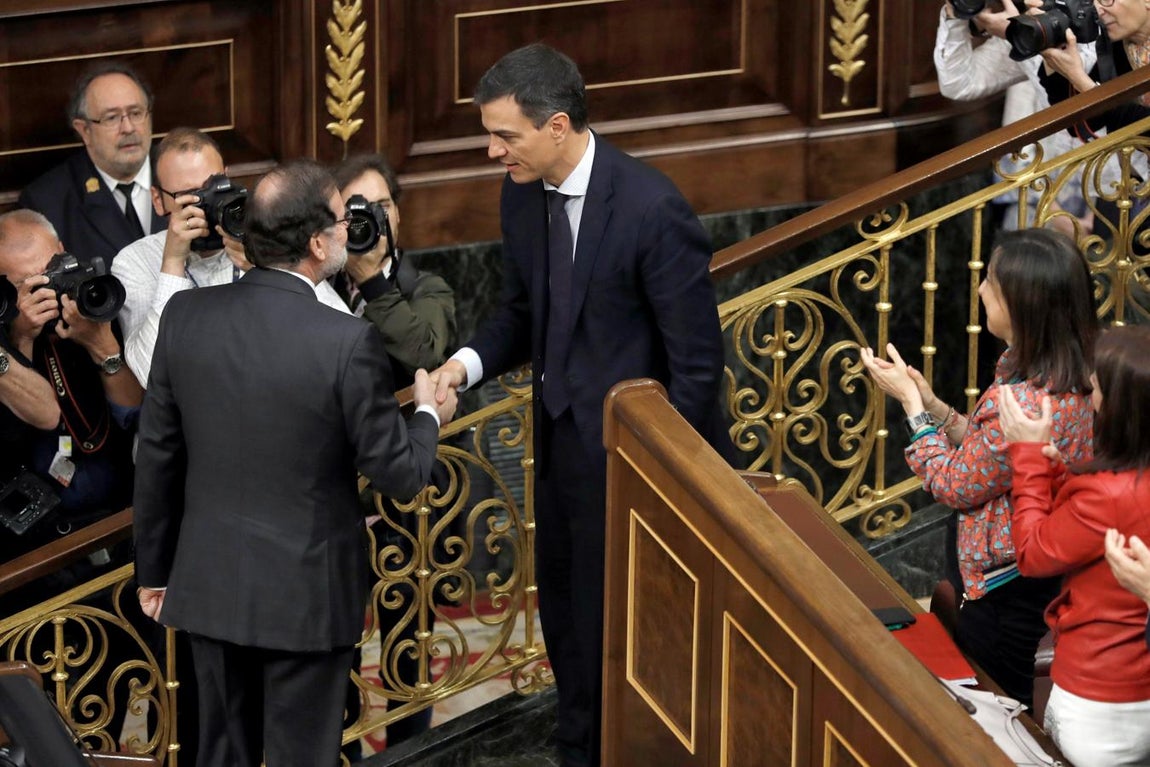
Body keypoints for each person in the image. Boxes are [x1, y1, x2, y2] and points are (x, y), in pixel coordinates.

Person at [430, 43, 729, 767]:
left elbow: (696, 368)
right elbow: (520, 310)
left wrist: (667, 484)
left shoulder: (652, 208)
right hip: (562, 452)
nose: (493, 151)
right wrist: (463, 366)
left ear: (557, 126)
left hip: (639, 472)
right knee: (566, 621)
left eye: (505, 135)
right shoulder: (520, 193)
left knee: (624, 634)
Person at [132, 158, 456, 767]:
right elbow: (400, 474)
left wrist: (155, 570)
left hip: (208, 586)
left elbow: (157, 457)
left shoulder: (185, 317)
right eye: (340, 219)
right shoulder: (345, 340)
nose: (349, 226)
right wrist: (427, 413)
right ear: (317, 244)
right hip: (307, 598)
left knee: (220, 756)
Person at [860, 227, 1098, 708]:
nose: (981, 289)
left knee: (1001, 703)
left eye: (991, 280)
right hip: (1034, 569)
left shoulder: (1027, 398)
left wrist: (912, 409)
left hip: (1004, 586)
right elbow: (992, 456)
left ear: (1022, 304)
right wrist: (934, 405)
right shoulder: (1065, 373)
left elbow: (953, 483)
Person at [999, 324, 1150, 767]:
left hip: (1100, 697)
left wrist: (1028, 457)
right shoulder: (1120, 486)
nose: (1089, 396)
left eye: (1098, 389)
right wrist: (1062, 476)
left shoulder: (1108, 494)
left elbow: (1031, 553)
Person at [111, 127, 352, 387]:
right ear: (158, 200)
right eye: (189, 197)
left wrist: (267, 270)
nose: (206, 204)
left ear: (226, 178)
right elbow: (150, 373)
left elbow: (342, 333)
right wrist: (172, 264)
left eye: (213, 188)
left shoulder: (265, 241)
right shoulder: (135, 261)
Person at [0, 209, 142, 557]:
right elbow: (14, 441)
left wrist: (100, 343)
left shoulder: (98, 297)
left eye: (51, 270)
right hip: (47, 536)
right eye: (28, 285)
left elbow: (136, 414)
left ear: (63, 250)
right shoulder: (6, 331)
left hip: (125, 508)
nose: (48, 289)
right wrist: (21, 338)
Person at [935, 1, 1098, 232]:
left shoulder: (1115, 24)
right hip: (1038, 196)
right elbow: (959, 83)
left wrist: (1016, 34)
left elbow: (1081, 107)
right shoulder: (1036, 25)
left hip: (1113, 197)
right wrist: (956, 17)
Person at [19, 62, 166, 265]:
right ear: (84, 130)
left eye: (136, 113)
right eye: (111, 118)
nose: (128, 128)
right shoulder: (48, 203)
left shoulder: (183, 172)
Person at [331, 153, 456, 389]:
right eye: (356, 212)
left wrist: (371, 281)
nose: (370, 219)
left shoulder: (426, 288)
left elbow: (426, 359)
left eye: (381, 207)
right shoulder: (322, 285)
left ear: (398, 213)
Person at [1029, 0, 1150, 135]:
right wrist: (1052, 39)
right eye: (1091, 2)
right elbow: (1081, 124)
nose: (1097, 11)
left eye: (1106, 0)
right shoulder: (1122, 46)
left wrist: (1081, 81)